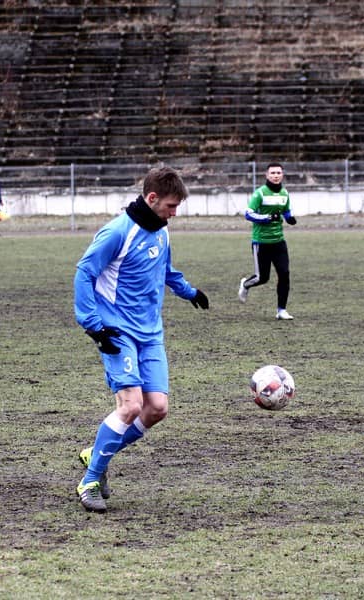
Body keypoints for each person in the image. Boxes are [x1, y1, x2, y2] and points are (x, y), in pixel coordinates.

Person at [73, 166, 210, 513]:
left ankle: (96, 454)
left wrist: (189, 291)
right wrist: (93, 326)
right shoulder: (117, 232)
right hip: (116, 330)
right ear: (151, 198)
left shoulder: (161, 230)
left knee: (157, 409)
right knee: (131, 406)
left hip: (151, 333)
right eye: (170, 206)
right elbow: (84, 272)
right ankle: (90, 480)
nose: (174, 213)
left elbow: (165, 270)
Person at [237, 162, 297, 320]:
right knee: (262, 278)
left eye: (278, 173)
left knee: (284, 274)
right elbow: (248, 214)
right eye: (273, 173)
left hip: (279, 241)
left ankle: (281, 310)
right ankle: (245, 284)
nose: (276, 175)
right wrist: (268, 217)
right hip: (261, 242)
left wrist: (290, 218)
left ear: (282, 175)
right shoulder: (260, 193)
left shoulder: (284, 193)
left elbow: (286, 210)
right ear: (267, 175)